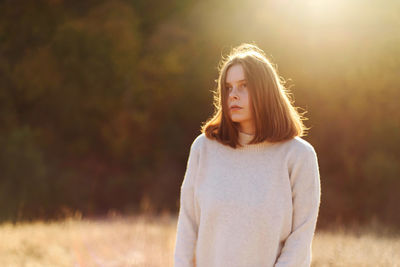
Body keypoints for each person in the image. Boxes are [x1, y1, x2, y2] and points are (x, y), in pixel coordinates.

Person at [174, 43, 321, 267]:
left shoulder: (298, 156)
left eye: (243, 86)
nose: (233, 95)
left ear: (265, 91)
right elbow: (188, 225)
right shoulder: (203, 149)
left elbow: (300, 238)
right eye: (228, 87)